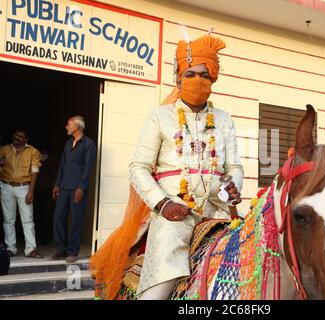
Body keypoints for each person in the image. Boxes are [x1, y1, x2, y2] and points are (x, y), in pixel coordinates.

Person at [90, 33, 244, 300]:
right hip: (174, 214)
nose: (198, 81)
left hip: (218, 212)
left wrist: (232, 185)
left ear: (213, 80)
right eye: (191, 74)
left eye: (204, 75)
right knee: (158, 288)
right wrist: (162, 204)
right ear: (178, 79)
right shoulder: (159, 116)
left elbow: (235, 167)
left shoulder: (224, 119)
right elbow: (138, 168)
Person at [52, 116, 96, 263]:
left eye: (69, 124)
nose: (66, 127)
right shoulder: (68, 143)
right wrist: (57, 184)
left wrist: (81, 187)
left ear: (77, 127)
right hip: (64, 187)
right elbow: (62, 165)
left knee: (76, 220)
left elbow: (88, 168)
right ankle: (61, 249)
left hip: (78, 188)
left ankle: (73, 251)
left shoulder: (88, 144)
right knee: (58, 217)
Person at [0, 129, 43, 258]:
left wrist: (31, 191)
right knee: (8, 220)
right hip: (6, 186)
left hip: (24, 187)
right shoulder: (4, 150)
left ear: (26, 139)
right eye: (15, 135)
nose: (17, 138)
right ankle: (10, 248)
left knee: (28, 219)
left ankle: (30, 249)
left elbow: (35, 172)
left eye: (21, 136)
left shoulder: (33, 152)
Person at [34, 149, 57, 245]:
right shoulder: (36, 163)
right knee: (36, 215)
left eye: (45, 154)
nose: (43, 155)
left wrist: (47, 164)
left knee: (46, 215)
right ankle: (37, 237)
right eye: (42, 154)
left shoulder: (51, 164)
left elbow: (55, 173)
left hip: (47, 193)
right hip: (36, 192)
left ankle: (45, 239)